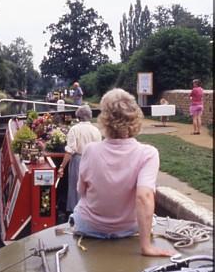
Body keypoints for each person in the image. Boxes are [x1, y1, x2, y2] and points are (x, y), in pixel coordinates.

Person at [72, 88, 173, 257]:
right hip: (129, 228)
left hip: (89, 227)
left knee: (78, 209)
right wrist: (146, 247)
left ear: (104, 119)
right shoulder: (148, 154)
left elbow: (81, 191)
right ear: (135, 118)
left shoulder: (90, 150)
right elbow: (144, 197)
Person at [57, 104, 101, 213]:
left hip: (78, 160)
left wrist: (62, 166)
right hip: (92, 161)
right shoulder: (96, 130)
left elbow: (70, 150)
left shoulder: (75, 129)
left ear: (78, 116)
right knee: (90, 187)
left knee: (76, 187)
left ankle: (75, 212)